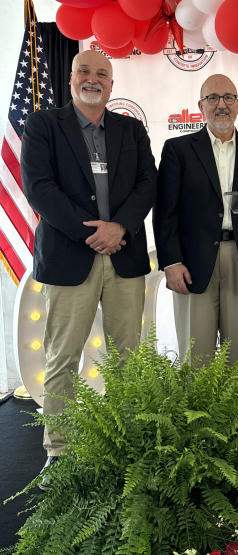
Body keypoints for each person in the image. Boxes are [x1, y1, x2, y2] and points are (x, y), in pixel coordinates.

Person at [21, 49, 157, 480]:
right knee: (63, 357)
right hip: (69, 256)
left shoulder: (131, 129)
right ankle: (59, 451)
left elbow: (147, 183)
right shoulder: (44, 125)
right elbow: (39, 187)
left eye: (102, 72)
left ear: (112, 85)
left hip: (124, 255)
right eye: (84, 70)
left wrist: (119, 228)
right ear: (71, 79)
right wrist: (91, 233)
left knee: (127, 359)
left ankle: (127, 444)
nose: (92, 78)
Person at [154, 73, 238, 365]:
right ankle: (196, 412)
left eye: (228, 98)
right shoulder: (178, 150)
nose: (220, 104)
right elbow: (165, 211)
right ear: (201, 105)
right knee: (195, 355)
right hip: (192, 263)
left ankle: (236, 412)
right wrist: (171, 262)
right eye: (213, 98)